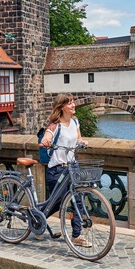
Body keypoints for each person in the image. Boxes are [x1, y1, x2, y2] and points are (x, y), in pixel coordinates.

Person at [39, 93, 91, 247]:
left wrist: (82, 141)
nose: (73, 105)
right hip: (57, 169)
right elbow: (45, 138)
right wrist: (46, 141)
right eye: (69, 103)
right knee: (56, 203)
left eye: (73, 102)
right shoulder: (55, 125)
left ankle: (76, 235)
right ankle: (37, 219)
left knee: (77, 200)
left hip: (72, 167)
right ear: (61, 107)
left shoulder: (75, 122)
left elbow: (77, 138)